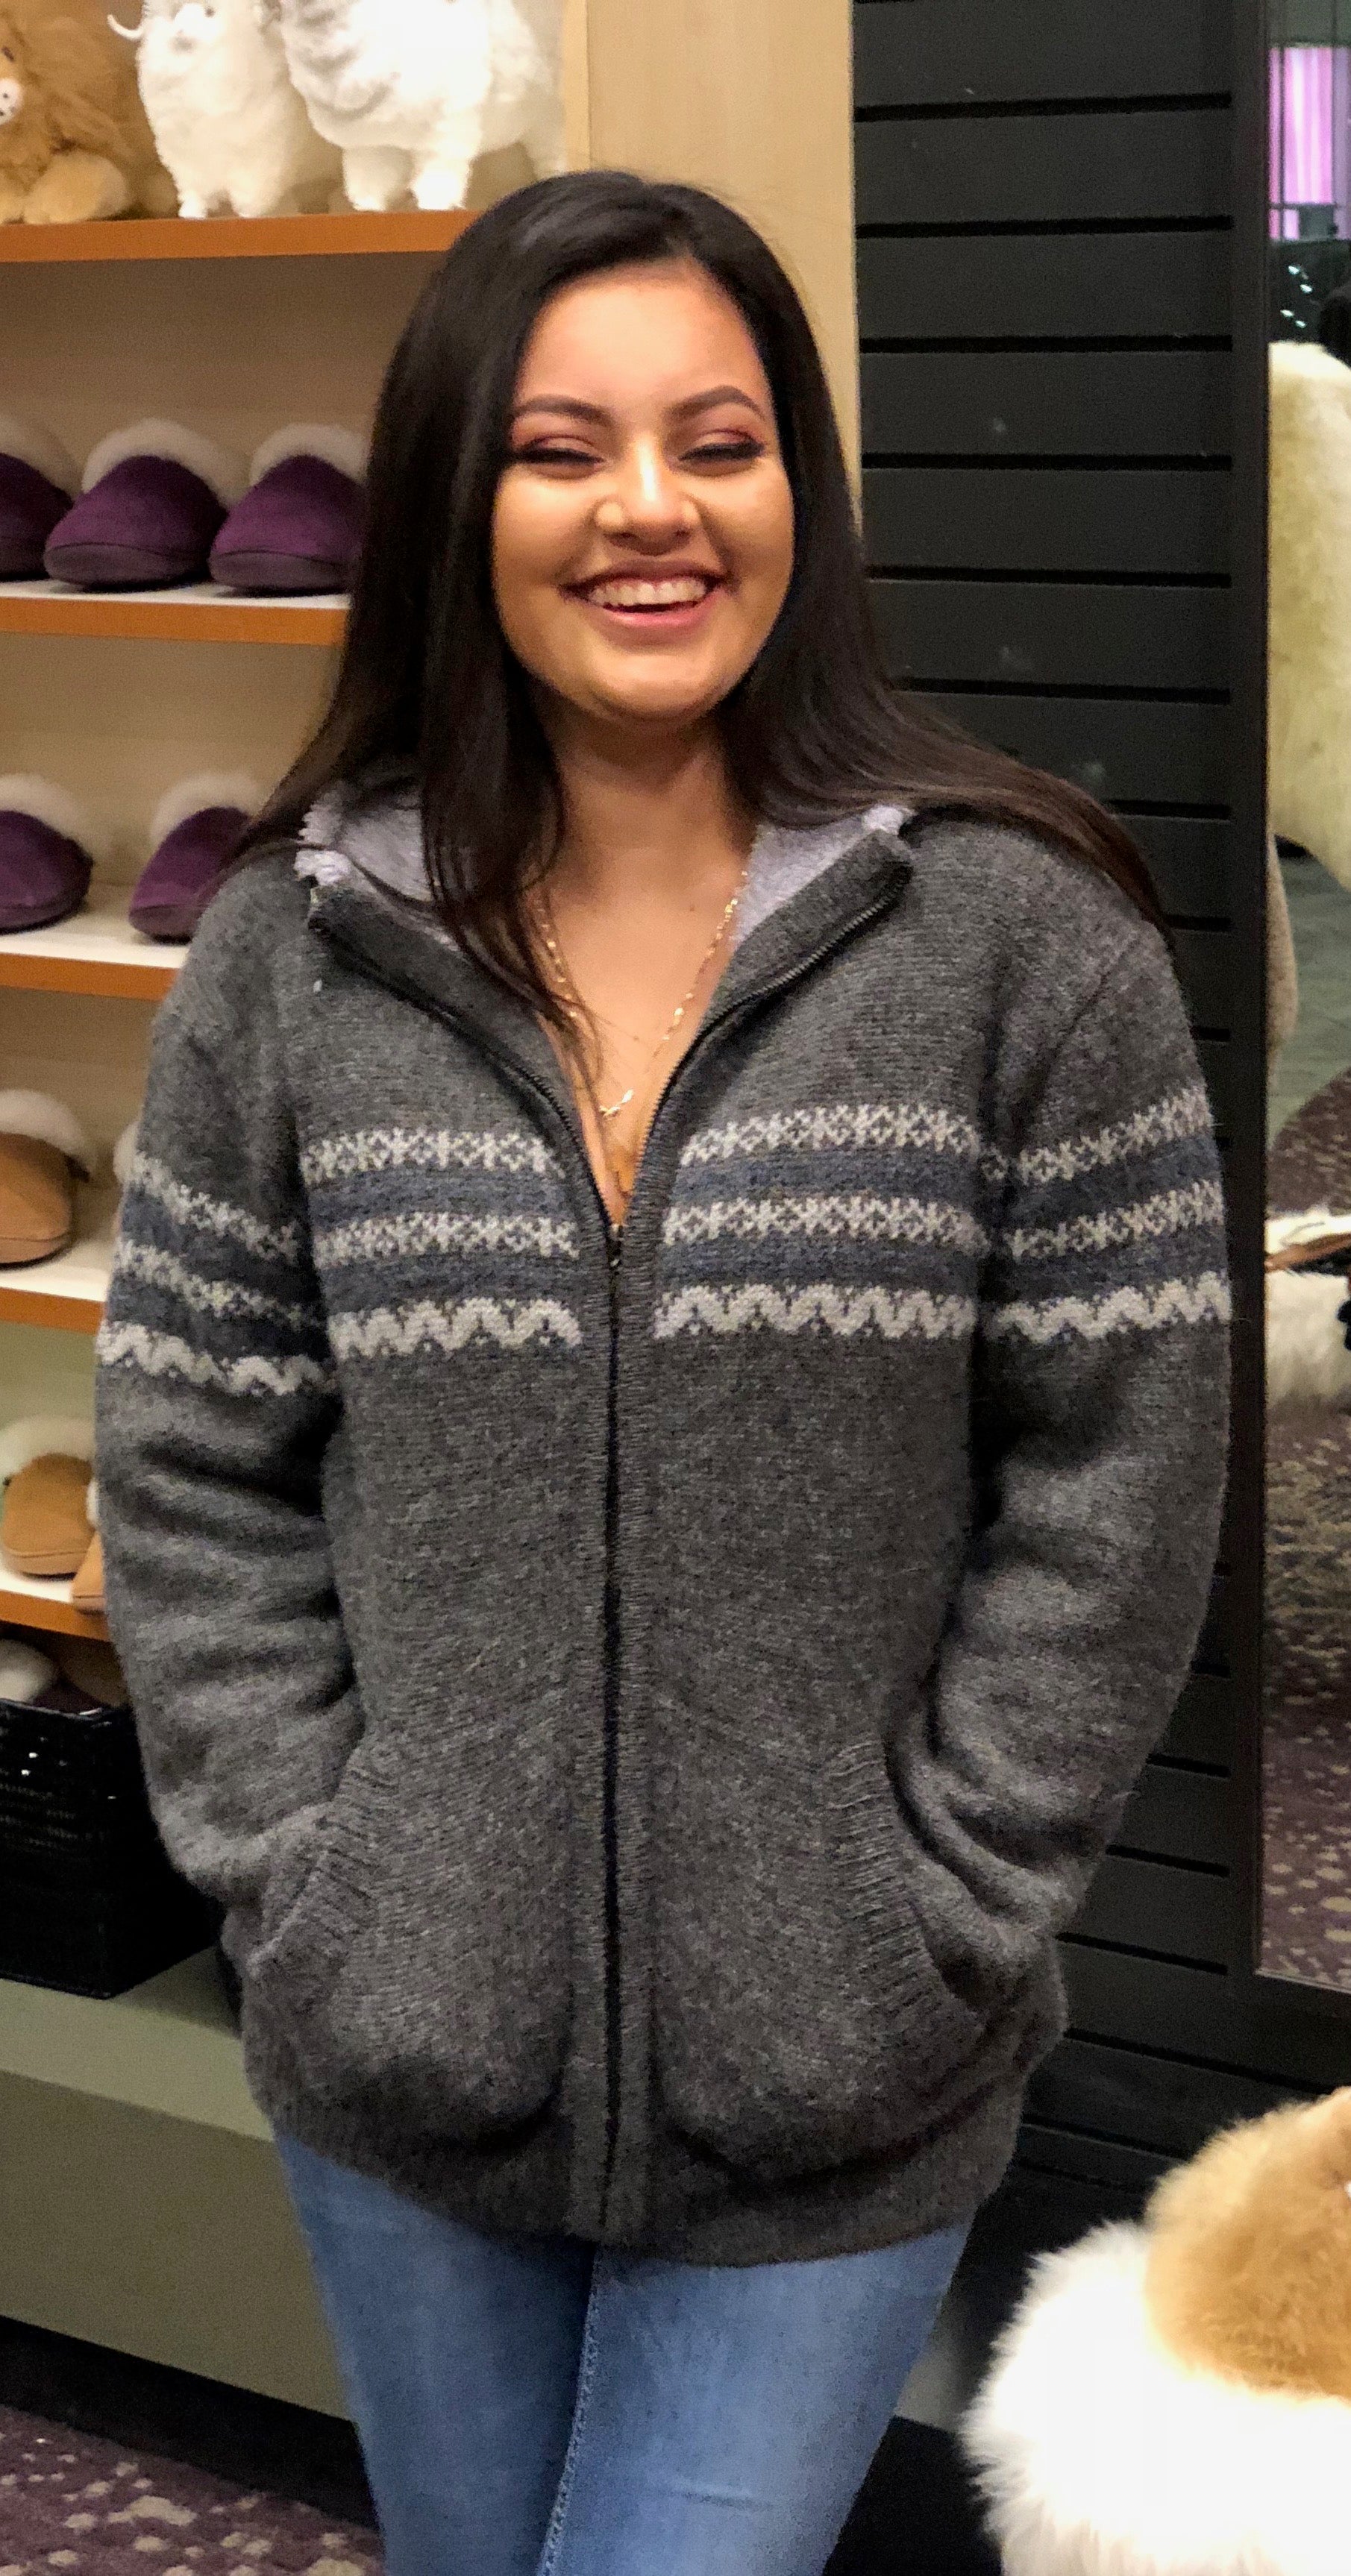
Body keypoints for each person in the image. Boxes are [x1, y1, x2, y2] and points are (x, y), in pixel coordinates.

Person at [94, 171, 1231, 2576]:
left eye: (717, 443)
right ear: (455, 503)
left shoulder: (1020, 938)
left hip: (845, 2075)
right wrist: (316, 1888)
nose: (648, 508)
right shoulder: (292, 962)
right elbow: (193, 1467)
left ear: (797, 489)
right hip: (400, 2061)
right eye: (560, 448)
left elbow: (1115, 1481)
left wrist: (935, 1911)